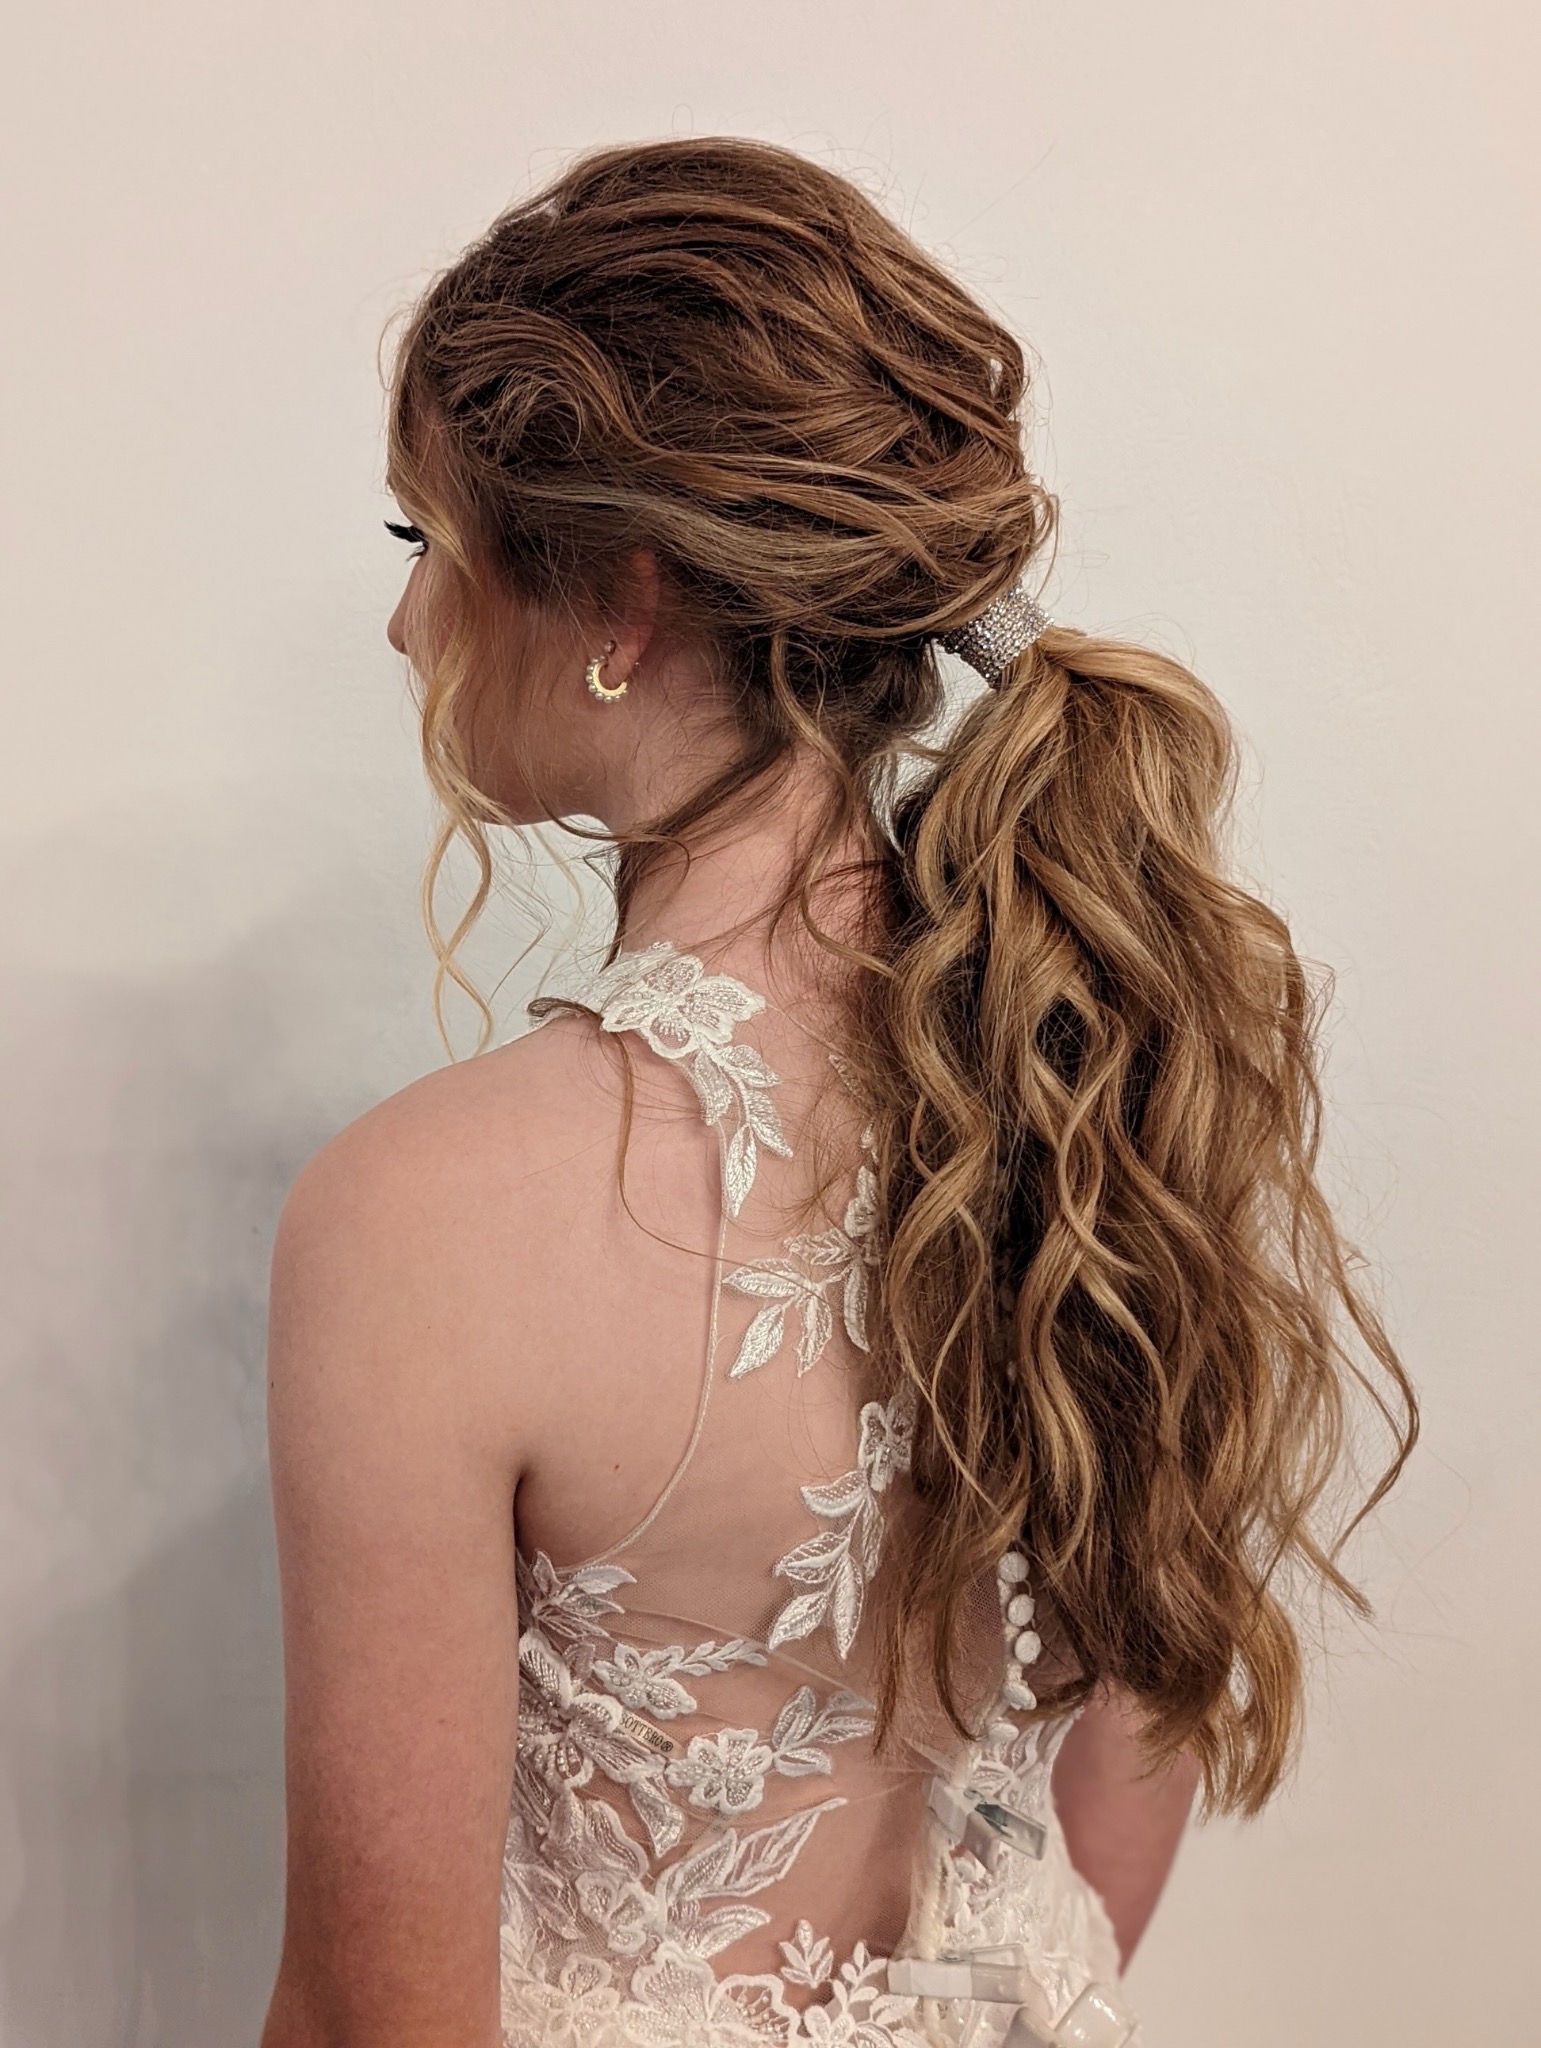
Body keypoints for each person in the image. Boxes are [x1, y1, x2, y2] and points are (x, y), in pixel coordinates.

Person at [259, 138, 1414, 2048]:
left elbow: (365, 2014)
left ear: (622, 603)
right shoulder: (1090, 1066)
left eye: (423, 546)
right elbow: (1130, 1757)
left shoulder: (427, 1215)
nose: (406, 626)